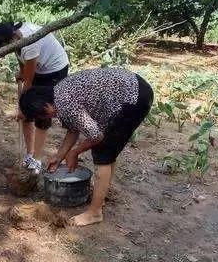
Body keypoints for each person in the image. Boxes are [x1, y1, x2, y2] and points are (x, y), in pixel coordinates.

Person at [19, 67, 154, 226]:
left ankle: (94, 212)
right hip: (133, 88)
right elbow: (74, 128)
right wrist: (59, 156)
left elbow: (96, 136)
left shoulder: (65, 104)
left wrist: (75, 152)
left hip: (133, 97)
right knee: (108, 151)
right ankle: (101, 195)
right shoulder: (59, 92)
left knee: (102, 152)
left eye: (42, 115)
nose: (46, 118)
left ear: (45, 106)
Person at [0, 21, 69, 174]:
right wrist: (22, 72)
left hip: (54, 70)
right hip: (39, 68)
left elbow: (29, 81)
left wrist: (21, 108)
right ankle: (30, 154)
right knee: (27, 115)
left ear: (12, 38)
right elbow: (22, 61)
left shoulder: (30, 41)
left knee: (40, 113)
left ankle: (37, 160)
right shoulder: (16, 38)